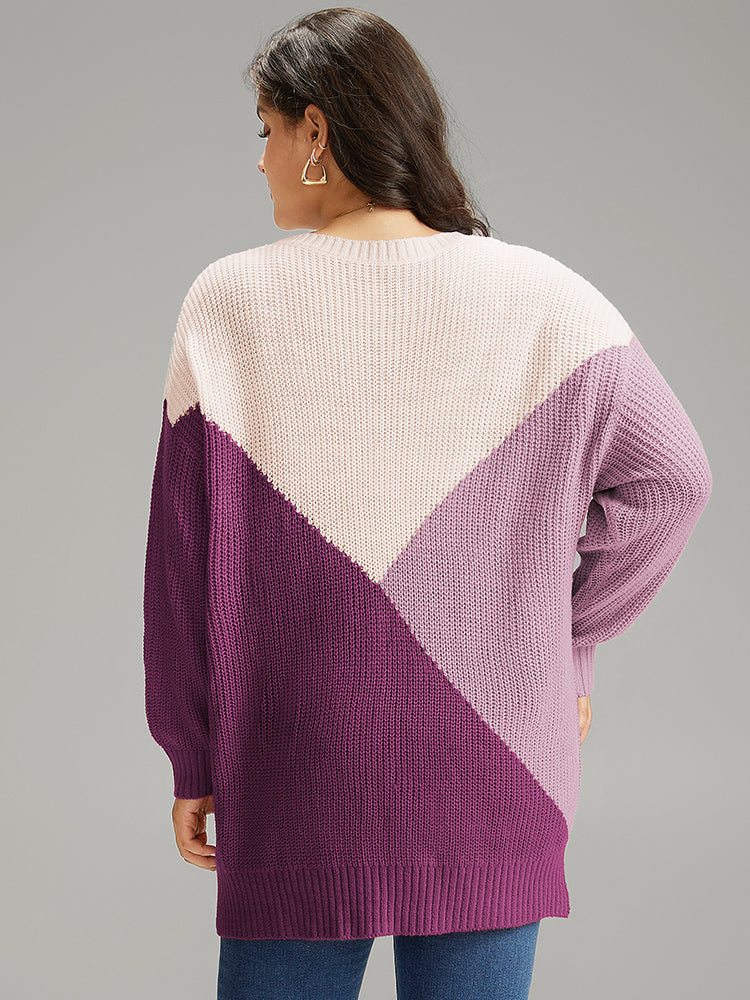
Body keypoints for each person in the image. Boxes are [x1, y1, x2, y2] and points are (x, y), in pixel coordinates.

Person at [142, 9, 712, 1000]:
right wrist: (567, 640)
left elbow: (181, 564)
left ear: (316, 132)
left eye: (266, 130)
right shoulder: (553, 300)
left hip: (296, 769)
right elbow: (675, 482)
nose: (260, 158)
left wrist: (193, 755)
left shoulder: (228, 304)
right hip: (498, 765)